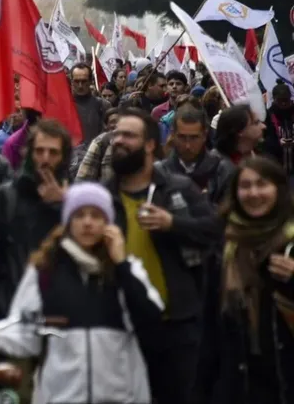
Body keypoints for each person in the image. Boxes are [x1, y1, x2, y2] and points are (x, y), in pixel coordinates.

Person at [0, 182, 164, 404]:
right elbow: (23, 334)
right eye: (80, 215)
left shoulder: (127, 270)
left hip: (119, 396)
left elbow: (151, 320)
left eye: (96, 215)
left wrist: (121, 265)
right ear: (68, 222)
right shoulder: (45, 271)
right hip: (61, 396)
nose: (88, 222)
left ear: (108, 223)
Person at [106, 108, 219, 404]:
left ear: (149, 145)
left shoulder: (176, 189)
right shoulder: (102, 197)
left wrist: (173, 224)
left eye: (128, 135)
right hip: (120, 328)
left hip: (177, 326)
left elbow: (215, 231)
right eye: (116, 134)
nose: (118, 140)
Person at [197, 157, 294, 404]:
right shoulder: (224, 247)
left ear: (279, 189)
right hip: (240, 383)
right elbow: (210, 327)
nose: (253, 193)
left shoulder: (290, 244)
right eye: (245, 186)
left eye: (262, 184)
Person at [0, 119, 73, 319]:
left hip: (59, 311)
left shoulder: (75, 201)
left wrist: (61, 207)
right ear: (29, 153)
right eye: (39, 151)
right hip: (10, 307)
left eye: (53, 153)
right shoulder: (6, 196)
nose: (45, 159)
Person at [157, 104, 235, 202]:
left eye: (194, 138)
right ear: (173, 135)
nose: (188, 145)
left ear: (204, 136)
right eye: (182, 137)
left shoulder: (222, 170)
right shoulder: (160, 171)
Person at [70, 63, 111, 145]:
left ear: (90, 81)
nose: (80, 86)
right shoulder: (64, 106)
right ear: (71, 82)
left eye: (84, 81)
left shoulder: (103, 105)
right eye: (77, 81)